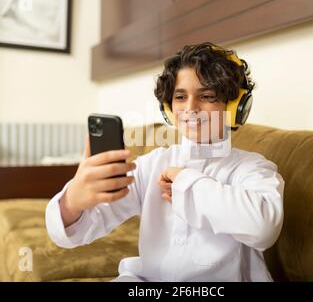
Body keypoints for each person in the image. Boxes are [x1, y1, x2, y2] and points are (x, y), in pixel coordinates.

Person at [45, 42, 285, 281]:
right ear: (168, 108)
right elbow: (74, 233)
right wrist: (71, 202)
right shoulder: (151, 165)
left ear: (235, 106)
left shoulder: (253, 169)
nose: (191, 108)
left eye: (207, 95)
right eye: (180, 97)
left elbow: (263, 228)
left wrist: (185, 182)